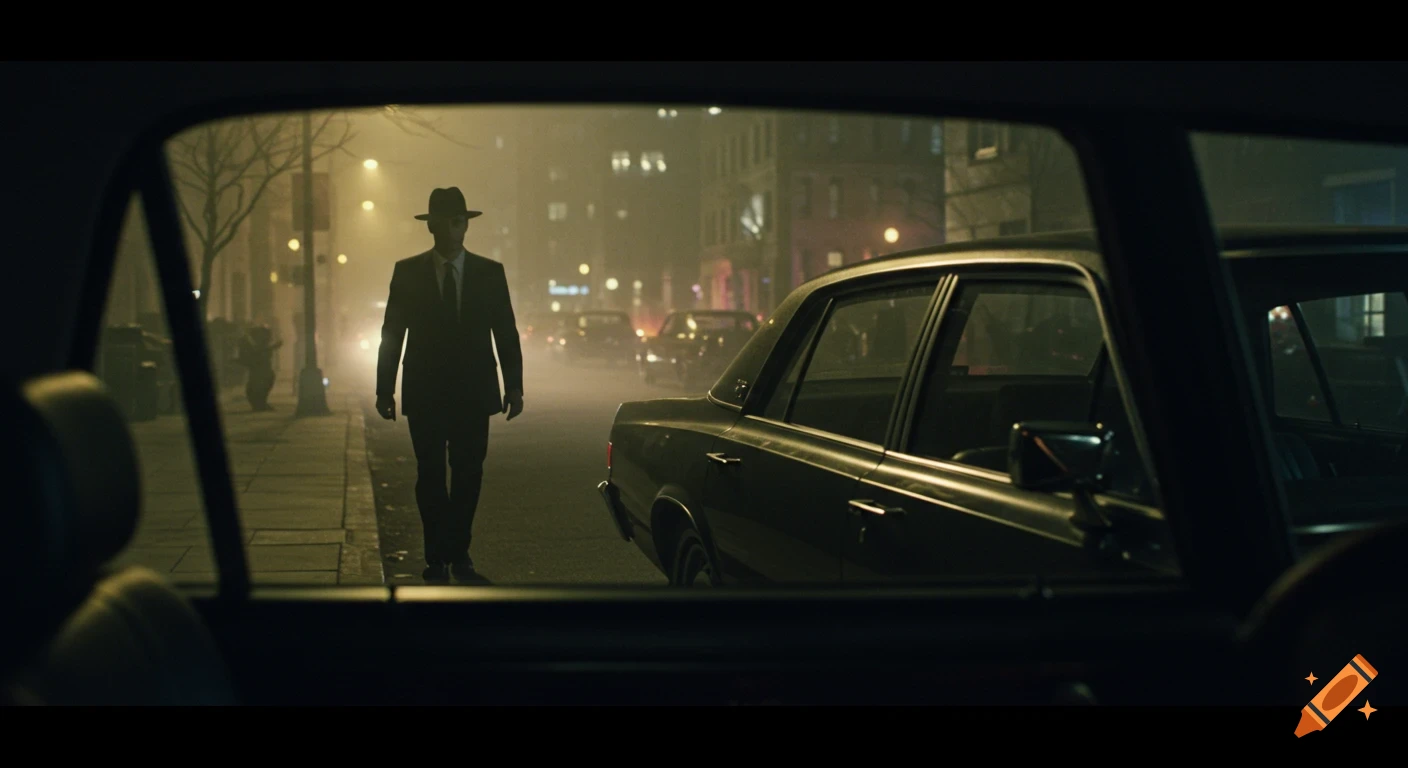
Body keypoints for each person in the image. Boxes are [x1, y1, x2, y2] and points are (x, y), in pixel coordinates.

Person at [375, 187, 524, 583]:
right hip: (424, 390)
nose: (457, 227)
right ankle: (437, 556)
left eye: (462, 220)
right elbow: (392, 333)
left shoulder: (490, 273)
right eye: (449, 219)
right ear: (433, 226)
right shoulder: (407, 272)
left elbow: (506, 333)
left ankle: (457, 551)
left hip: (474, 392)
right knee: (429, 475)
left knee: (468, 473)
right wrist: (383, 388)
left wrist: (515, 386)